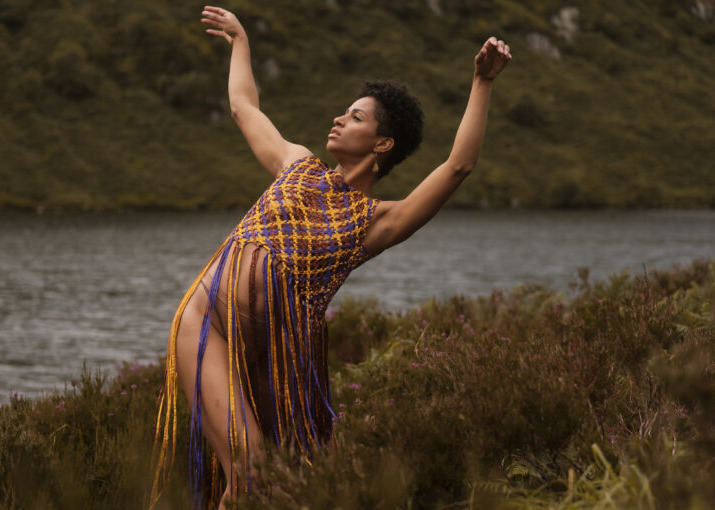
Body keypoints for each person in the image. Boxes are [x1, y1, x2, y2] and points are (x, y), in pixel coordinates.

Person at [150, 5, 511, 509]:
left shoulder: (376, 222)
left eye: (356, 116)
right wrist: (240, 43)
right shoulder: (296, 164)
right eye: (346, 111)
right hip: (207, 325)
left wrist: (482, 82)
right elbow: (243, 106)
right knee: (252, 469)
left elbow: (458, 166)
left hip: (278, 359)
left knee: (271, 483)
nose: (340, 118)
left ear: (382, 143)